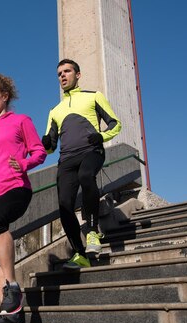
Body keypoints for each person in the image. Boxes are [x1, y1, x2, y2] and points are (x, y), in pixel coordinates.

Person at [0, 74, 47, 323]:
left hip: (16, 187)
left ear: (4, 95)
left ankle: (13, 289)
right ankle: (10, 315)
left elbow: (39, 151)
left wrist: (25, 164)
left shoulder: (21, 121)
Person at [42, 59, 121, 269]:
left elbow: (116, 123)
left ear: (78, 75)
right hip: (66, 159)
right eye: (59, 73)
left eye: (67, 71)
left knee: (87, 176)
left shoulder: (93, 96)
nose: (62, 76)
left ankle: (93, 233)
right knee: (64, 206)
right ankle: (80, 254)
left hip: (91, 151)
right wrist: (46, 144)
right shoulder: (54, 111)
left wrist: (101, 136)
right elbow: (50, 147)